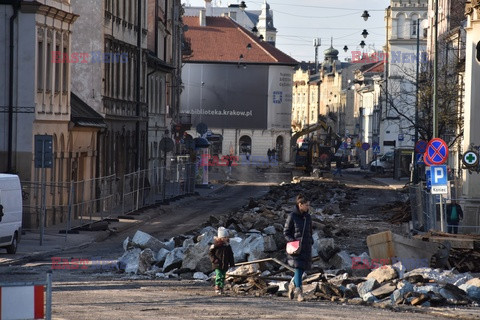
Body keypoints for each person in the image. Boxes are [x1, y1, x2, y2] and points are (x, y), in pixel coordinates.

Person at [283, 194, 313, 302]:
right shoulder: (292, 216)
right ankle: (299, 292)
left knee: (302, 270)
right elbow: (286, 232)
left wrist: (311, 240)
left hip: (306, 247)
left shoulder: (308, 217)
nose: (308, 207)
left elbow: (310, 231)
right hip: (295, 248)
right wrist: (293, 241)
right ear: (300, 205)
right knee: (299, 269)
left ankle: (292, 285)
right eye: (306, 205)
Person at [209, 227, 235, 295]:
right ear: (221, 238)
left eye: (227, 237)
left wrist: (232, 264)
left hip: (225, 264)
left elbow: (231, 255)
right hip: (217, 264)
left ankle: (221, 287)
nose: (226, 239)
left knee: (223, 276)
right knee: (219, 275)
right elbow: (210, 253)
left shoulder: (227, 246)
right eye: (225, 237)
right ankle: (217, 287)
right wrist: (214, 260)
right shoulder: (216, 245)